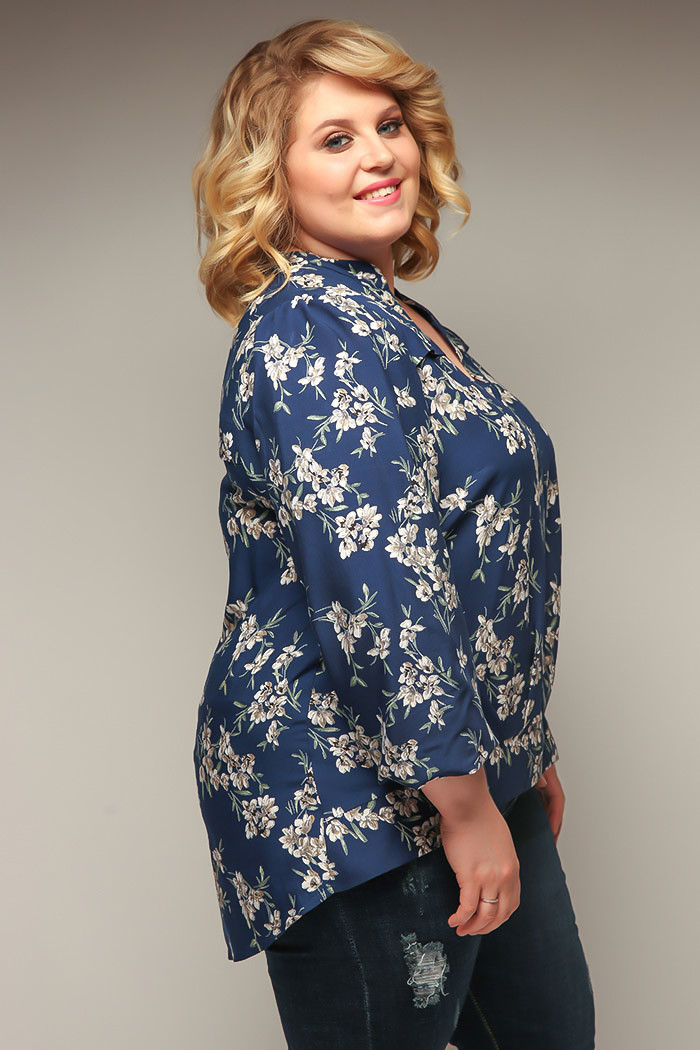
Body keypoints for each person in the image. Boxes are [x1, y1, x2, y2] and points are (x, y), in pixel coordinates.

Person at [191, 17, 595, 1049]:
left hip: (469, 766)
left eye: (389, 124)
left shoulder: (393, 317)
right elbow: (379, 584)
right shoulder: (308, 329)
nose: (380, 155)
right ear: (270, 175)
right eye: (335, 138)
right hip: (353, 795)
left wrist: (519, 750)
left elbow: (467, 553)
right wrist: (465, 807)